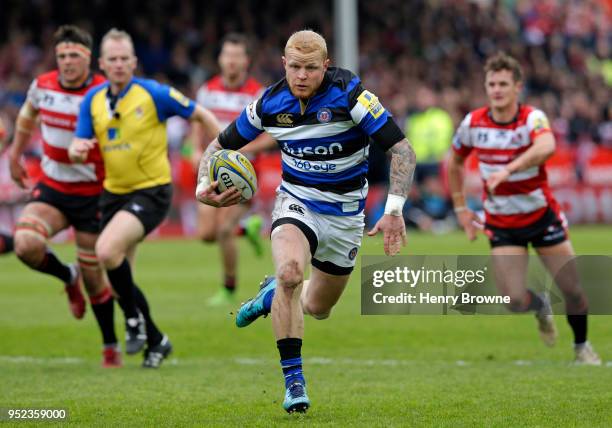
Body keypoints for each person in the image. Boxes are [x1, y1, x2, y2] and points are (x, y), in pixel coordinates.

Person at [196, 30, 416, 413]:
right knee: (291, 273)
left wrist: (394, 209)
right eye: (294, 66)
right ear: (284, 64)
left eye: (310, 68)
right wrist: (203, 184)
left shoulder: (352, 95)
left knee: (318, 306)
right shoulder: (268, 103)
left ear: (325, 66)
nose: (301, 75)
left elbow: (402, 150)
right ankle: (294, 381)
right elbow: (218, 146)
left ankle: (268, 296)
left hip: (346, 215)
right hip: (296, 203)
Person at [69, 28, 221, 368]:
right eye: (113, 59)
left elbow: (201, 114)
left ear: (134, 62)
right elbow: (77, 145)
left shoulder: (153, 93)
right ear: (102, 64)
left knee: (106, 251)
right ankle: (156, 339)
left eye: (125, 59)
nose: (120, 64)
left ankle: (134, 321)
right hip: (112, 195)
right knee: (119, 277)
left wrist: (217, 155)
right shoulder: (92, 100)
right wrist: (77, 150)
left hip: (151, 192)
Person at [447, 52, 601, 365]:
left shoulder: (532, 118)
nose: (497, 89)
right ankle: (540, 305)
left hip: (541, 216)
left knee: (572, 290)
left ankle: (582, 346)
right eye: (491, 83)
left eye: (504, 83)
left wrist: (508, 169)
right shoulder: (473, 123)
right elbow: (455, 163)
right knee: (514, 300)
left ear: (518, 87)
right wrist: (461, 209)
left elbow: (547, 146)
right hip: (503, 224)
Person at [7, 25, 121, 367]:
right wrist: (14, 155)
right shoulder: (42, 86)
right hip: (53, 188)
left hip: (94, 194)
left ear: (89, 58)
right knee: (25, 244)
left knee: (94, 275)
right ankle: (66, 277)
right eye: (62, 56)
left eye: (74, 55)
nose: (67, 62)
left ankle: (110, 345)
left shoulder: (106, 92)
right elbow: (27, 117)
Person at [193, 33, 274, 306]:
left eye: (237, 56)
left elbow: (273, 136)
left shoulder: (258, 94)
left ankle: (228, 289)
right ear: (220, 59)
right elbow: (197, 120)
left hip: (244, 173)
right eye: (227, 55)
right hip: (213, 170)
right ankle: (247, 228)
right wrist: (195, 149)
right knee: (206, 235)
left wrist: (243, 151)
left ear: (246, 61)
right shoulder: (208, 90)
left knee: (224, 230)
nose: (231, 61)